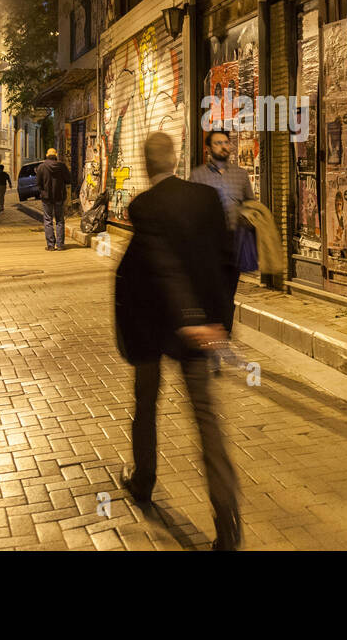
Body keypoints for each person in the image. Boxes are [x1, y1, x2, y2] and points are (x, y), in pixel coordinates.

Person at [114, 131, 241, 550]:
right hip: (201, 330)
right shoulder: (205, 199)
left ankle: (144, 481)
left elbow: (164, 265)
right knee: (208, 424)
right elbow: (228, 262)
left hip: (156, 330)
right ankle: (228, 526)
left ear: (148, 164)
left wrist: (189, 318)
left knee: (146, 406)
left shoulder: (143, 206)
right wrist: (220, 322)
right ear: (176, 158)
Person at [190, 129, 251, 333]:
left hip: (233, 244)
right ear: (208, 148)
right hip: (207, 244)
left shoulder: (241, 175)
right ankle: (211, 334)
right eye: (218, 143)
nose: (224, 147)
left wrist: (250, 217)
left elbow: (251, 205)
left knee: (228, 294)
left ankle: (222, 334)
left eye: (226, 142)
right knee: (208, 293)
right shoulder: (197, 175)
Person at [35, 148, 71, 250]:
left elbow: (38, 183)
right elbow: (68, 180)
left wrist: (42, 191)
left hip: (46, 198)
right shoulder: (62, 166)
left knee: (48, 220)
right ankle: (60, 245)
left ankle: (50, 245)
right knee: (60, 220)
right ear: (56, 155)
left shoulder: (41, 167)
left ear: (47, 155)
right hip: (59, 196)